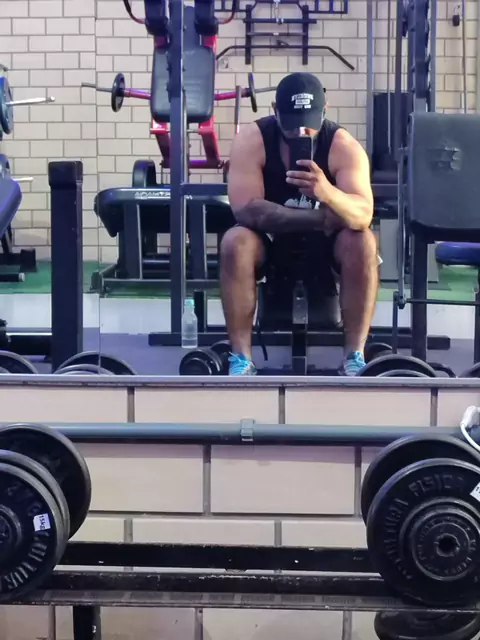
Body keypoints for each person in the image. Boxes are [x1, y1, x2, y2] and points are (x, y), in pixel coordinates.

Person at [220, 72, 378, 376]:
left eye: (309, 122)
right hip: (269, 241)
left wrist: (327, 192)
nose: (301, 131)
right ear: (275, 111)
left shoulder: (343, 146)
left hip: (328, 245)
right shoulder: (252, 140)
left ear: (325, 110)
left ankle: (354, 356)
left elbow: (363, 214)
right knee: (235, 242)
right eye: (292, 123)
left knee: (363, 241)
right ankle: (240, 359)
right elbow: (247, 211)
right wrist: (322, 217)